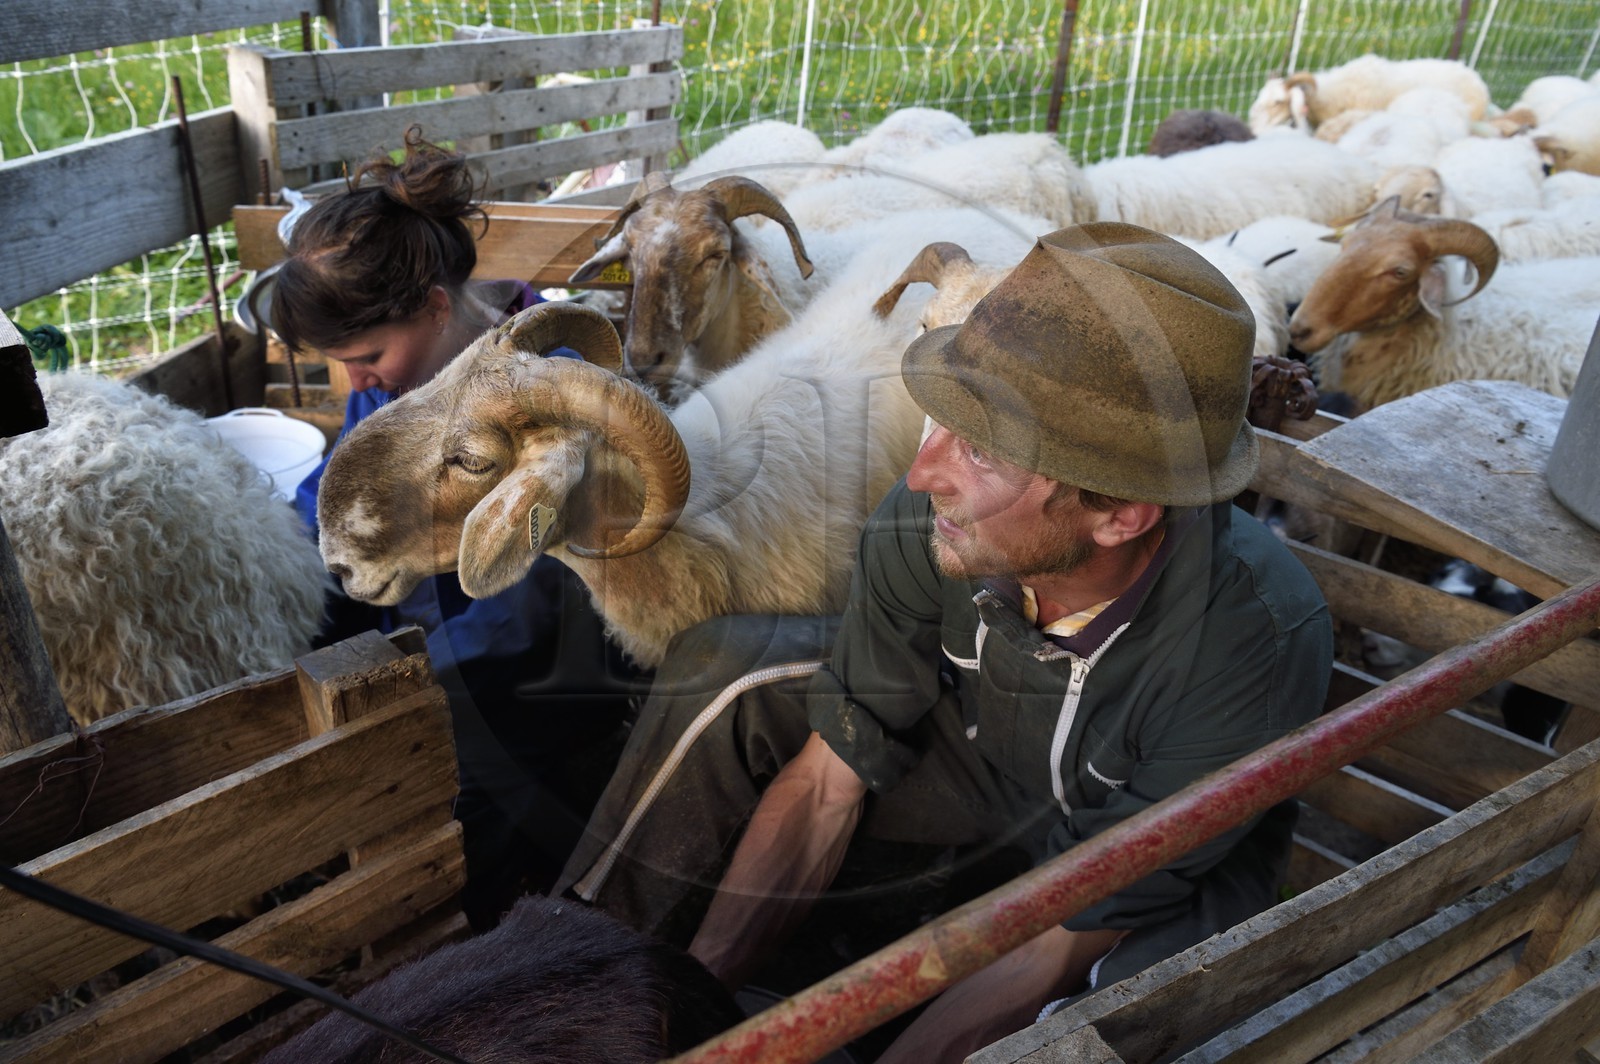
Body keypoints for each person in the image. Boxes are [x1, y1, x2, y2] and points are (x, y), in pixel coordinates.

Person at [554, 222, 1334, 1061]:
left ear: (1121, 515)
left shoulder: (1250, 641)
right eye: (942, 421)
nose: (924, 472)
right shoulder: (931, 521)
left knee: (1136, 1007)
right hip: (993, 758)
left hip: (1144, 878)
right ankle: (583, 997)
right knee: (729, 667)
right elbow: (826, 785)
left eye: (983, 449)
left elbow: (1064, 930)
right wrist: (699, 1024)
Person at [269, 127, 647, 931]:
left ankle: (501, 925)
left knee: (456, 797)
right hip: (431, 630)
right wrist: (286, 591)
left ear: (436, 308)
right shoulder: (397, 385)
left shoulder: (557, 379)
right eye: (343, 363)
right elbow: (344, 498)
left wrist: (407, 685)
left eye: (366, 353)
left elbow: (541, 597)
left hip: (535, 663)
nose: (356, 380)